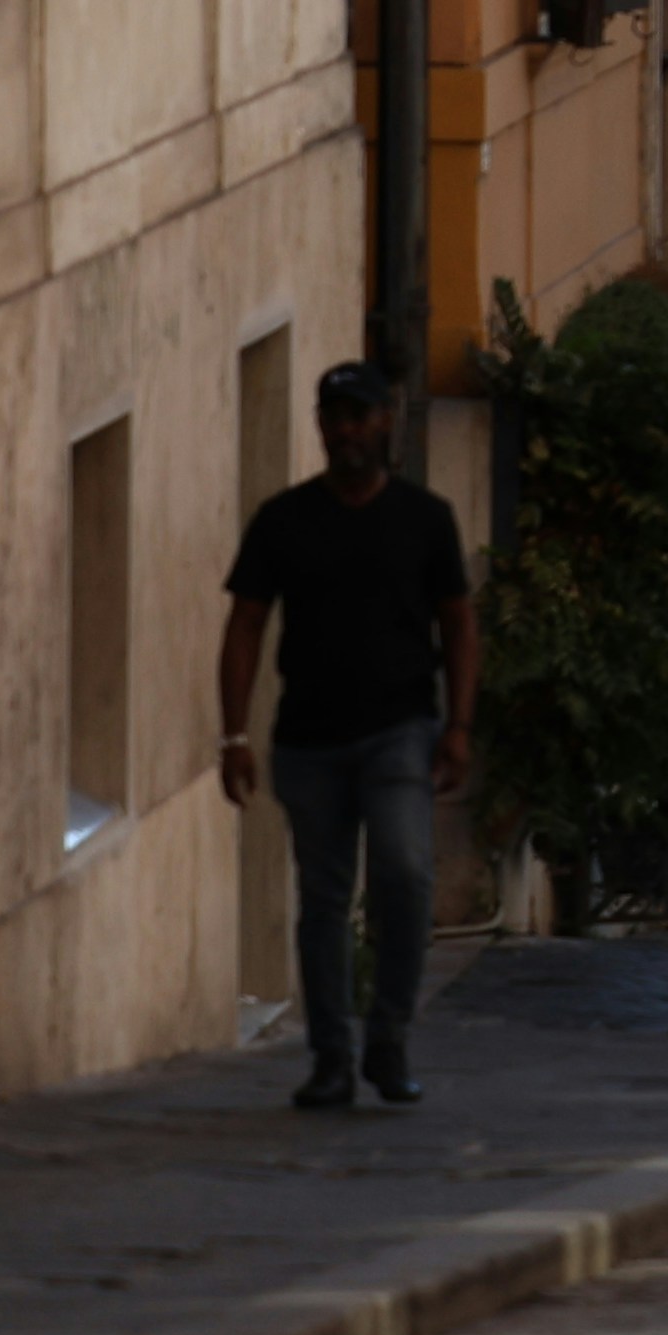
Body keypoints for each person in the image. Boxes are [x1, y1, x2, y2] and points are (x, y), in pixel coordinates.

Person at [213, 361, 478, 1111]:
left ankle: (388, 1036)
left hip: (400, 730)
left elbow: (457, 621)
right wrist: (233, 734)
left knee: (404, 873)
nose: (349, 430)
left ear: (385, 421)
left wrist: (458, 724)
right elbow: (246, 625)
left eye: (361, 415)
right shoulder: (284, 520)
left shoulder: (425, 519)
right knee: (323, 898)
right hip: (309, 738)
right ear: (321, 425)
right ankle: (331, 1054)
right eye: (336, 416)